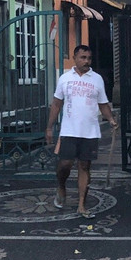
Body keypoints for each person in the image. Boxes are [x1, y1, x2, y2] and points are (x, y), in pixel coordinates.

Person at [45, 45, 118, 218]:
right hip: (69, 131)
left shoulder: (97, 79)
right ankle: (61, 186)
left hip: (90, 132)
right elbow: (56, 104)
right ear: (75, 58)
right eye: (83, 57)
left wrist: (111, 119)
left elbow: (102, 104)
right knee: (65, 164)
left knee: (84, 166)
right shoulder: (65, 79)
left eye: (89, 58)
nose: (87, 61)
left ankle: (81, 205)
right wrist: (49, 127)